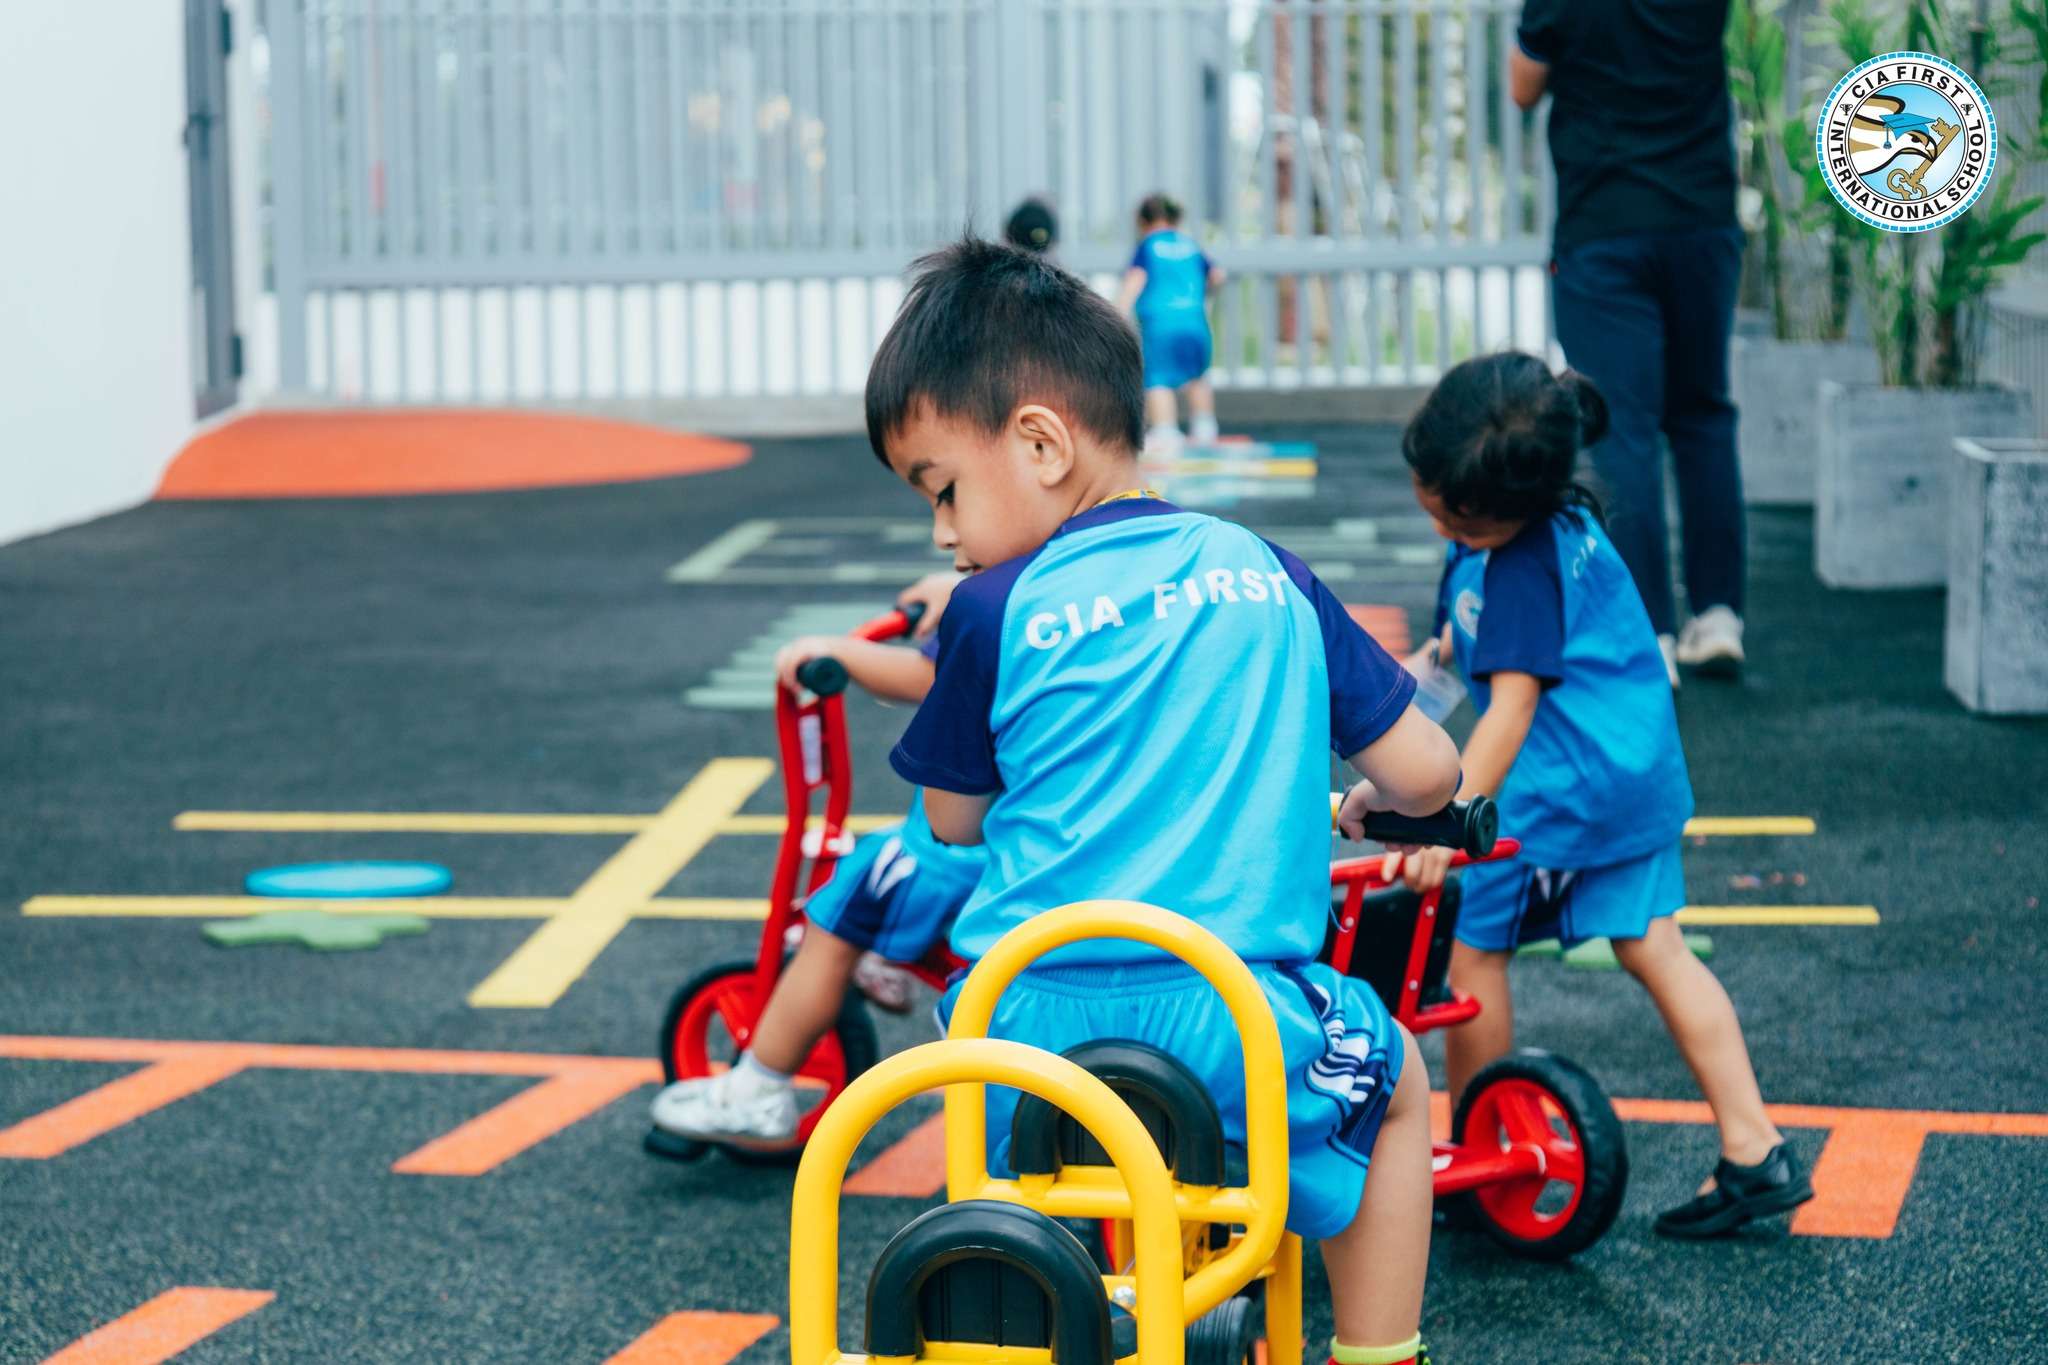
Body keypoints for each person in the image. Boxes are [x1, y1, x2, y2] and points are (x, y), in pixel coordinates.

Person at [868, 237, 1461, 1365]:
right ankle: (1378, 1353)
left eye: (942, 491)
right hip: (1232, 1021)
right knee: (1394, 1087)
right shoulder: (1267, 570)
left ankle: (1036, 1315)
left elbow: (950, 823)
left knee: (1024, 1150)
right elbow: (1430, 775)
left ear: (1040, 444)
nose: (942, 533)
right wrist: (1359, 799)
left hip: (1018, 1029)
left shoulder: (991, 610)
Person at [1392, 352, 1811, 1238]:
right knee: (1655, 943)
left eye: (1451, 513)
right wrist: (1376, 710)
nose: (1436, 519)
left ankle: (1481, 1160)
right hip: (1635, 773)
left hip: (1561, 790)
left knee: (1474, 954)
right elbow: (1453, 652)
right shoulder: (1553, 523)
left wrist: (1447, 821)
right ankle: (1755, 1147)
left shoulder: (1517, 568)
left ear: (1498, 511)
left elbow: (1509, 709)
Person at [647, 572, 983, 1150]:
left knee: (841, 910)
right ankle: (892, 950)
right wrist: (957, 587)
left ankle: (759, 1090)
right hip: (1018, 840)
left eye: (954, 519)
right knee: (886, 849)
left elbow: (927, 676)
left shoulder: (995, 609)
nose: (945, 535)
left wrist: (839, 652)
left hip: (959, 851)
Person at [1513, 0, 1748, 684]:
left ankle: (1650, 634)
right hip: (1701, 220)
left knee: (1622, 430)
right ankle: (1718, 615)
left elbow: (1523, 86)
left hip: (1605, 223)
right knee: (1703, 414)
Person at [1115, 192, 1225, 453]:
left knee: (1157, 378)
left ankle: (1165, 431)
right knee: (1197, 376)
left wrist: (1118, 311)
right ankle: (1205, 427)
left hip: (1161, 325)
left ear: (1143, 222)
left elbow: (1136, 280)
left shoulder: (1148, 246)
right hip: (1195, 322)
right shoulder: (1191, 245)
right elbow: (1217, 276)